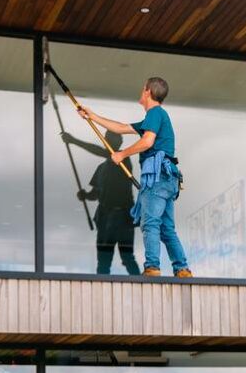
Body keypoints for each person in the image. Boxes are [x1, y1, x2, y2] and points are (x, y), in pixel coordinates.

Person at [77, 77, 193, 278]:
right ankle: (182, 269)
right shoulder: (154, 118)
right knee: (166, 227)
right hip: (168, 179)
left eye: (143, 89)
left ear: (148, 91)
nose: (141, 91)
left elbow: (148, 142)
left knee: (150, 223)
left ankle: (152, 268)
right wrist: (92, 116)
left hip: (156, 177)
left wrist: (122, 154)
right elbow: (121, 128)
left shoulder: (155, 113)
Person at [61, 130, 141, 276]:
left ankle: (141, 288)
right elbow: (95, 194)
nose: (110, 142)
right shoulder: (101, 169)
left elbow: (100, 152)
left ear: (120, 142)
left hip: (123, 218)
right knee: (104, 260)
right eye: (108, 139)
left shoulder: (124, 159)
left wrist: (75, 141)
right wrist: (85, 195)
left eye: (114, 138)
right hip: (105, 218)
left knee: (127, 257)